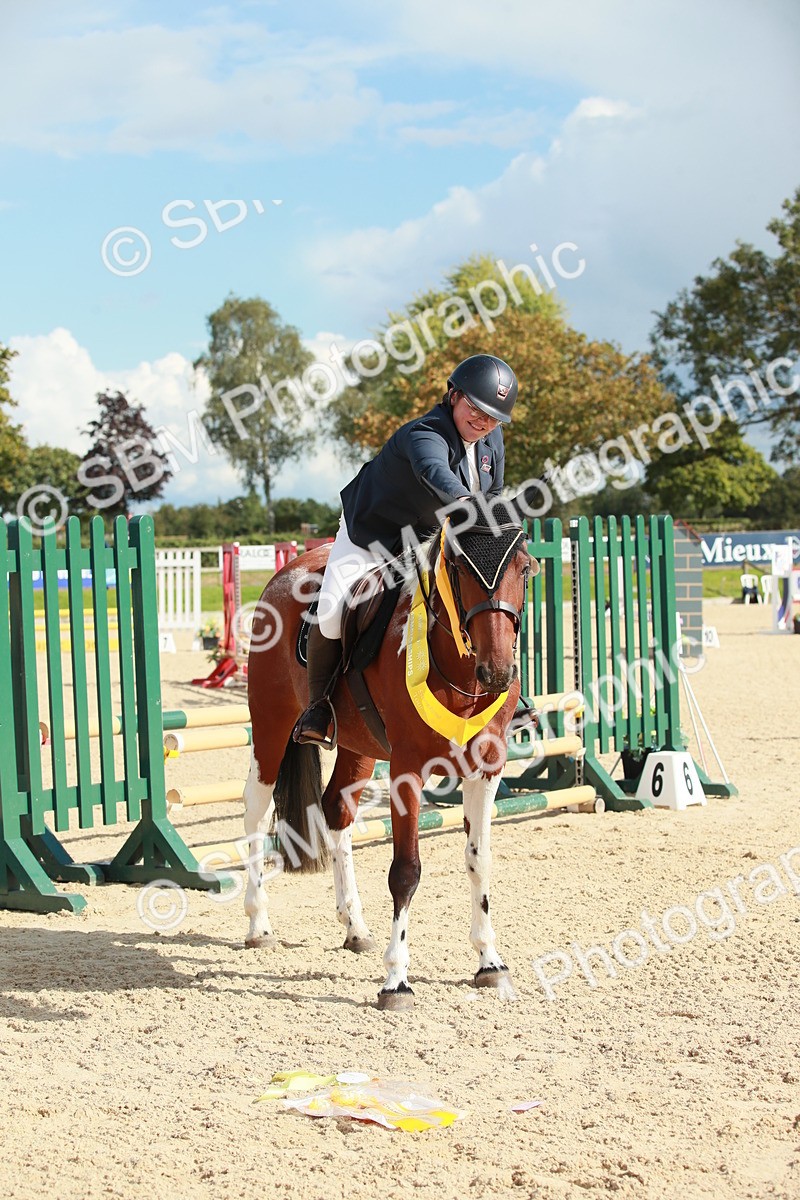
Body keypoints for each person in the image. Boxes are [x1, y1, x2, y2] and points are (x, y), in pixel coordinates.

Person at [293, 352, 519, 745]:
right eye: (475, 408)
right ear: (454, 395)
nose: (483, 421)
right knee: (330, 612)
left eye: (493, 417)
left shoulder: (491, 440)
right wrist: (471, 507)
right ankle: (319, 707)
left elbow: (492, 494)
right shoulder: (425, 434)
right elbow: (437, 475)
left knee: (484, 597)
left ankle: (503, 691)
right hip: (373, 534)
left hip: (428, 536)